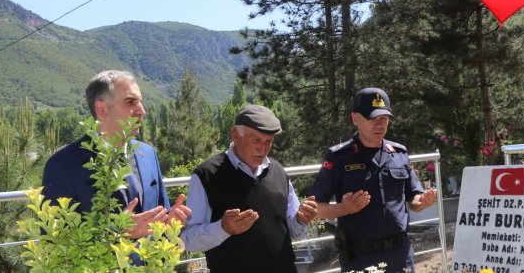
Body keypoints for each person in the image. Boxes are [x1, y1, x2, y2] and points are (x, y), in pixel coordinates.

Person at [42, 70, 189, 239]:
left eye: (140, 102)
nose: (141, 110)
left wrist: (169, 223)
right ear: (102, 108)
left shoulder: (147, 154)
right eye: (130, 102)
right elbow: (54, 238)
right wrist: (119, 231)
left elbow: (160, 213)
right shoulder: (63, 165)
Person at [310, 87, 437, 273]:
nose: (379, 125)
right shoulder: (339, 157)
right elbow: (314, 208)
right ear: (355, 118)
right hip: (360, 258)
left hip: (400, 256)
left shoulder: (399, 154)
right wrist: (342, 209)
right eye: (372, 119)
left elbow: (413, 198)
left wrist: (422, 201)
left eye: (383, 119)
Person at [180, 104, 317, 273]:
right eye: (257, 140)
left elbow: (294, 233)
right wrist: (222, 228)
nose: (263, 148)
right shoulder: (207, 175)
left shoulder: (278, 171)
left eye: (269, 141)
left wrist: (302, 220)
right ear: (235, 135)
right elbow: (188, 239)